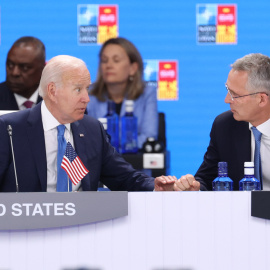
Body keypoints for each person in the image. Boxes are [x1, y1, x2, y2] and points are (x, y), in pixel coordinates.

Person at [0, 55, 174, 192]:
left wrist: (155, 186)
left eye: (87, 89)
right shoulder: (9, 130)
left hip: (82, 229)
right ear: (52, 91)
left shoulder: (92, 130)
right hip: (26, 231)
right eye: (78, 89)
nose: (87, 99)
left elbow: (124, 177)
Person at [173, 53, 270, 191]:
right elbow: (207, 177)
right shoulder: (225, 125)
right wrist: (195, 187)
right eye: (227, 90)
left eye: (234, 95)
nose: (227, 100)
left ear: (261, 99)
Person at [86, 37, 158, 149]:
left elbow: (149, 135)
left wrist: (118, 150)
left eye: (116, 60)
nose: (108, 65)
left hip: (134, 163)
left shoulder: (147, 93)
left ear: (133, 68)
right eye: (104, 60)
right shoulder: (88, 94)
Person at [0, 36, 46, 110]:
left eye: (25, 67)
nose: (15, 73)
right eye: (10, 65)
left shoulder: (57, 100)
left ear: (43, 69)